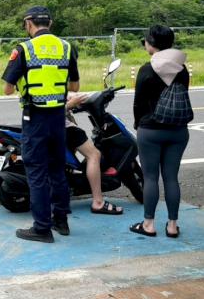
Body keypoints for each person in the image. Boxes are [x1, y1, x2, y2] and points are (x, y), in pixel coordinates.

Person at [2, 6, 80, 243]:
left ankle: (42, 228)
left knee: (36, 172)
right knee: (58, 169)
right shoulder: (66, 47)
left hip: (34, 117)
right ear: (50, 23)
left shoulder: (24, 49)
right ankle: (61, 221)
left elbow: (7, 89)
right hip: (58, 116)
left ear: (29, 23)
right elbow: (74, 87)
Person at [130, 25, 192, 238]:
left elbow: (138, 103)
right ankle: (173, 225)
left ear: (151, 44)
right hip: (178, 130)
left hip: (151, 130)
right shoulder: (182, 69)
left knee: (150, 177)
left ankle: (148, 224)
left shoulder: (147, 69)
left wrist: (138, 124)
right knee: (171, 177)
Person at [65, 93, 124, 215]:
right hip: (61, 125)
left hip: (43, 125)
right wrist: (69, 105)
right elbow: (48, 109)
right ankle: (98, 202)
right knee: (94, 155)